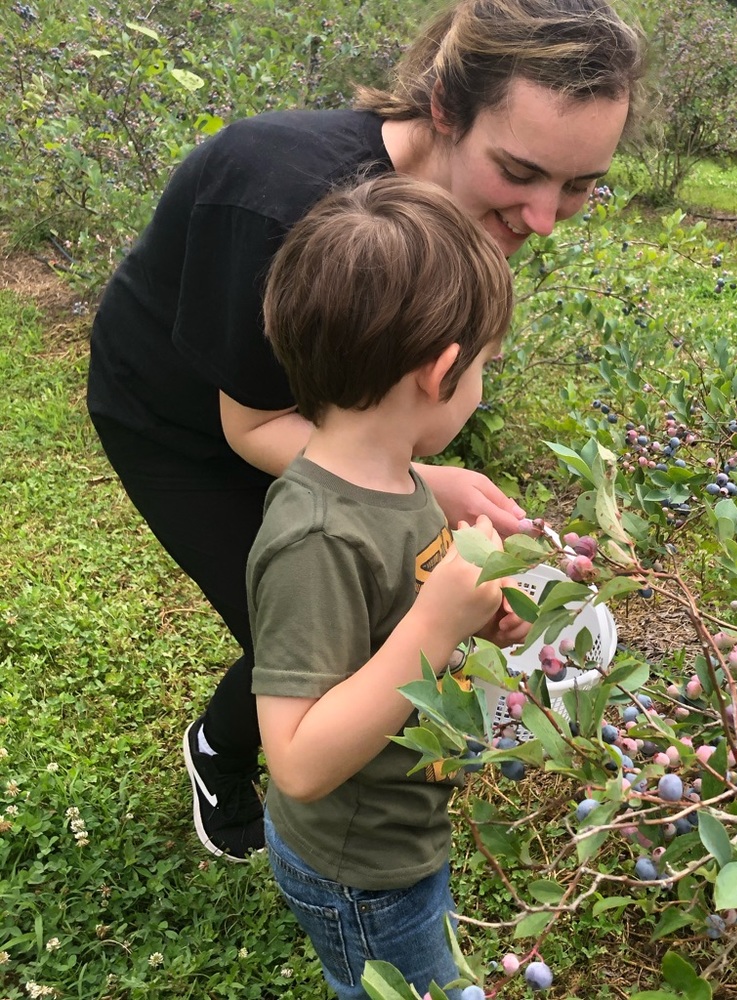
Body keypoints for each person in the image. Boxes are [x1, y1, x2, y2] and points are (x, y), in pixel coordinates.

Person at [86, 0, 645, 861]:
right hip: (187, 416)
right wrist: (421, 484)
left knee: (383, 601)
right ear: (444, 110)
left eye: (578, 187)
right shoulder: (277, 199)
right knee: (311, 633)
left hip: (317, 408)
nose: (542, 218)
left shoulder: (460, 210)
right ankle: (221, 751)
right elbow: (253, 421)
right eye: (521, 172)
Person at [250, 173, 530, 999]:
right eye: (486, 366)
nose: (483, 382)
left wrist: (474, 617)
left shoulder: (397, 477)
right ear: (441, 373)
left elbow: (397, 613)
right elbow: (297, 762)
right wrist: (437, 622)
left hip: (401, 839)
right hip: (362, 874)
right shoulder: (315, 536)